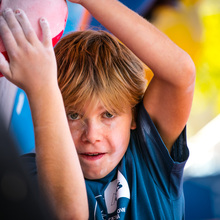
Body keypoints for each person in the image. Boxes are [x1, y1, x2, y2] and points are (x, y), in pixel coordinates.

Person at [0, 0, 196, 219]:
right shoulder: (29, 175)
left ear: (134, 115)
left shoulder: (148, 161)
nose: (91, 135)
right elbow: (70, 214)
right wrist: (42, 88)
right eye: (73, 115)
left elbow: (181, 73)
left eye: (108, 115)